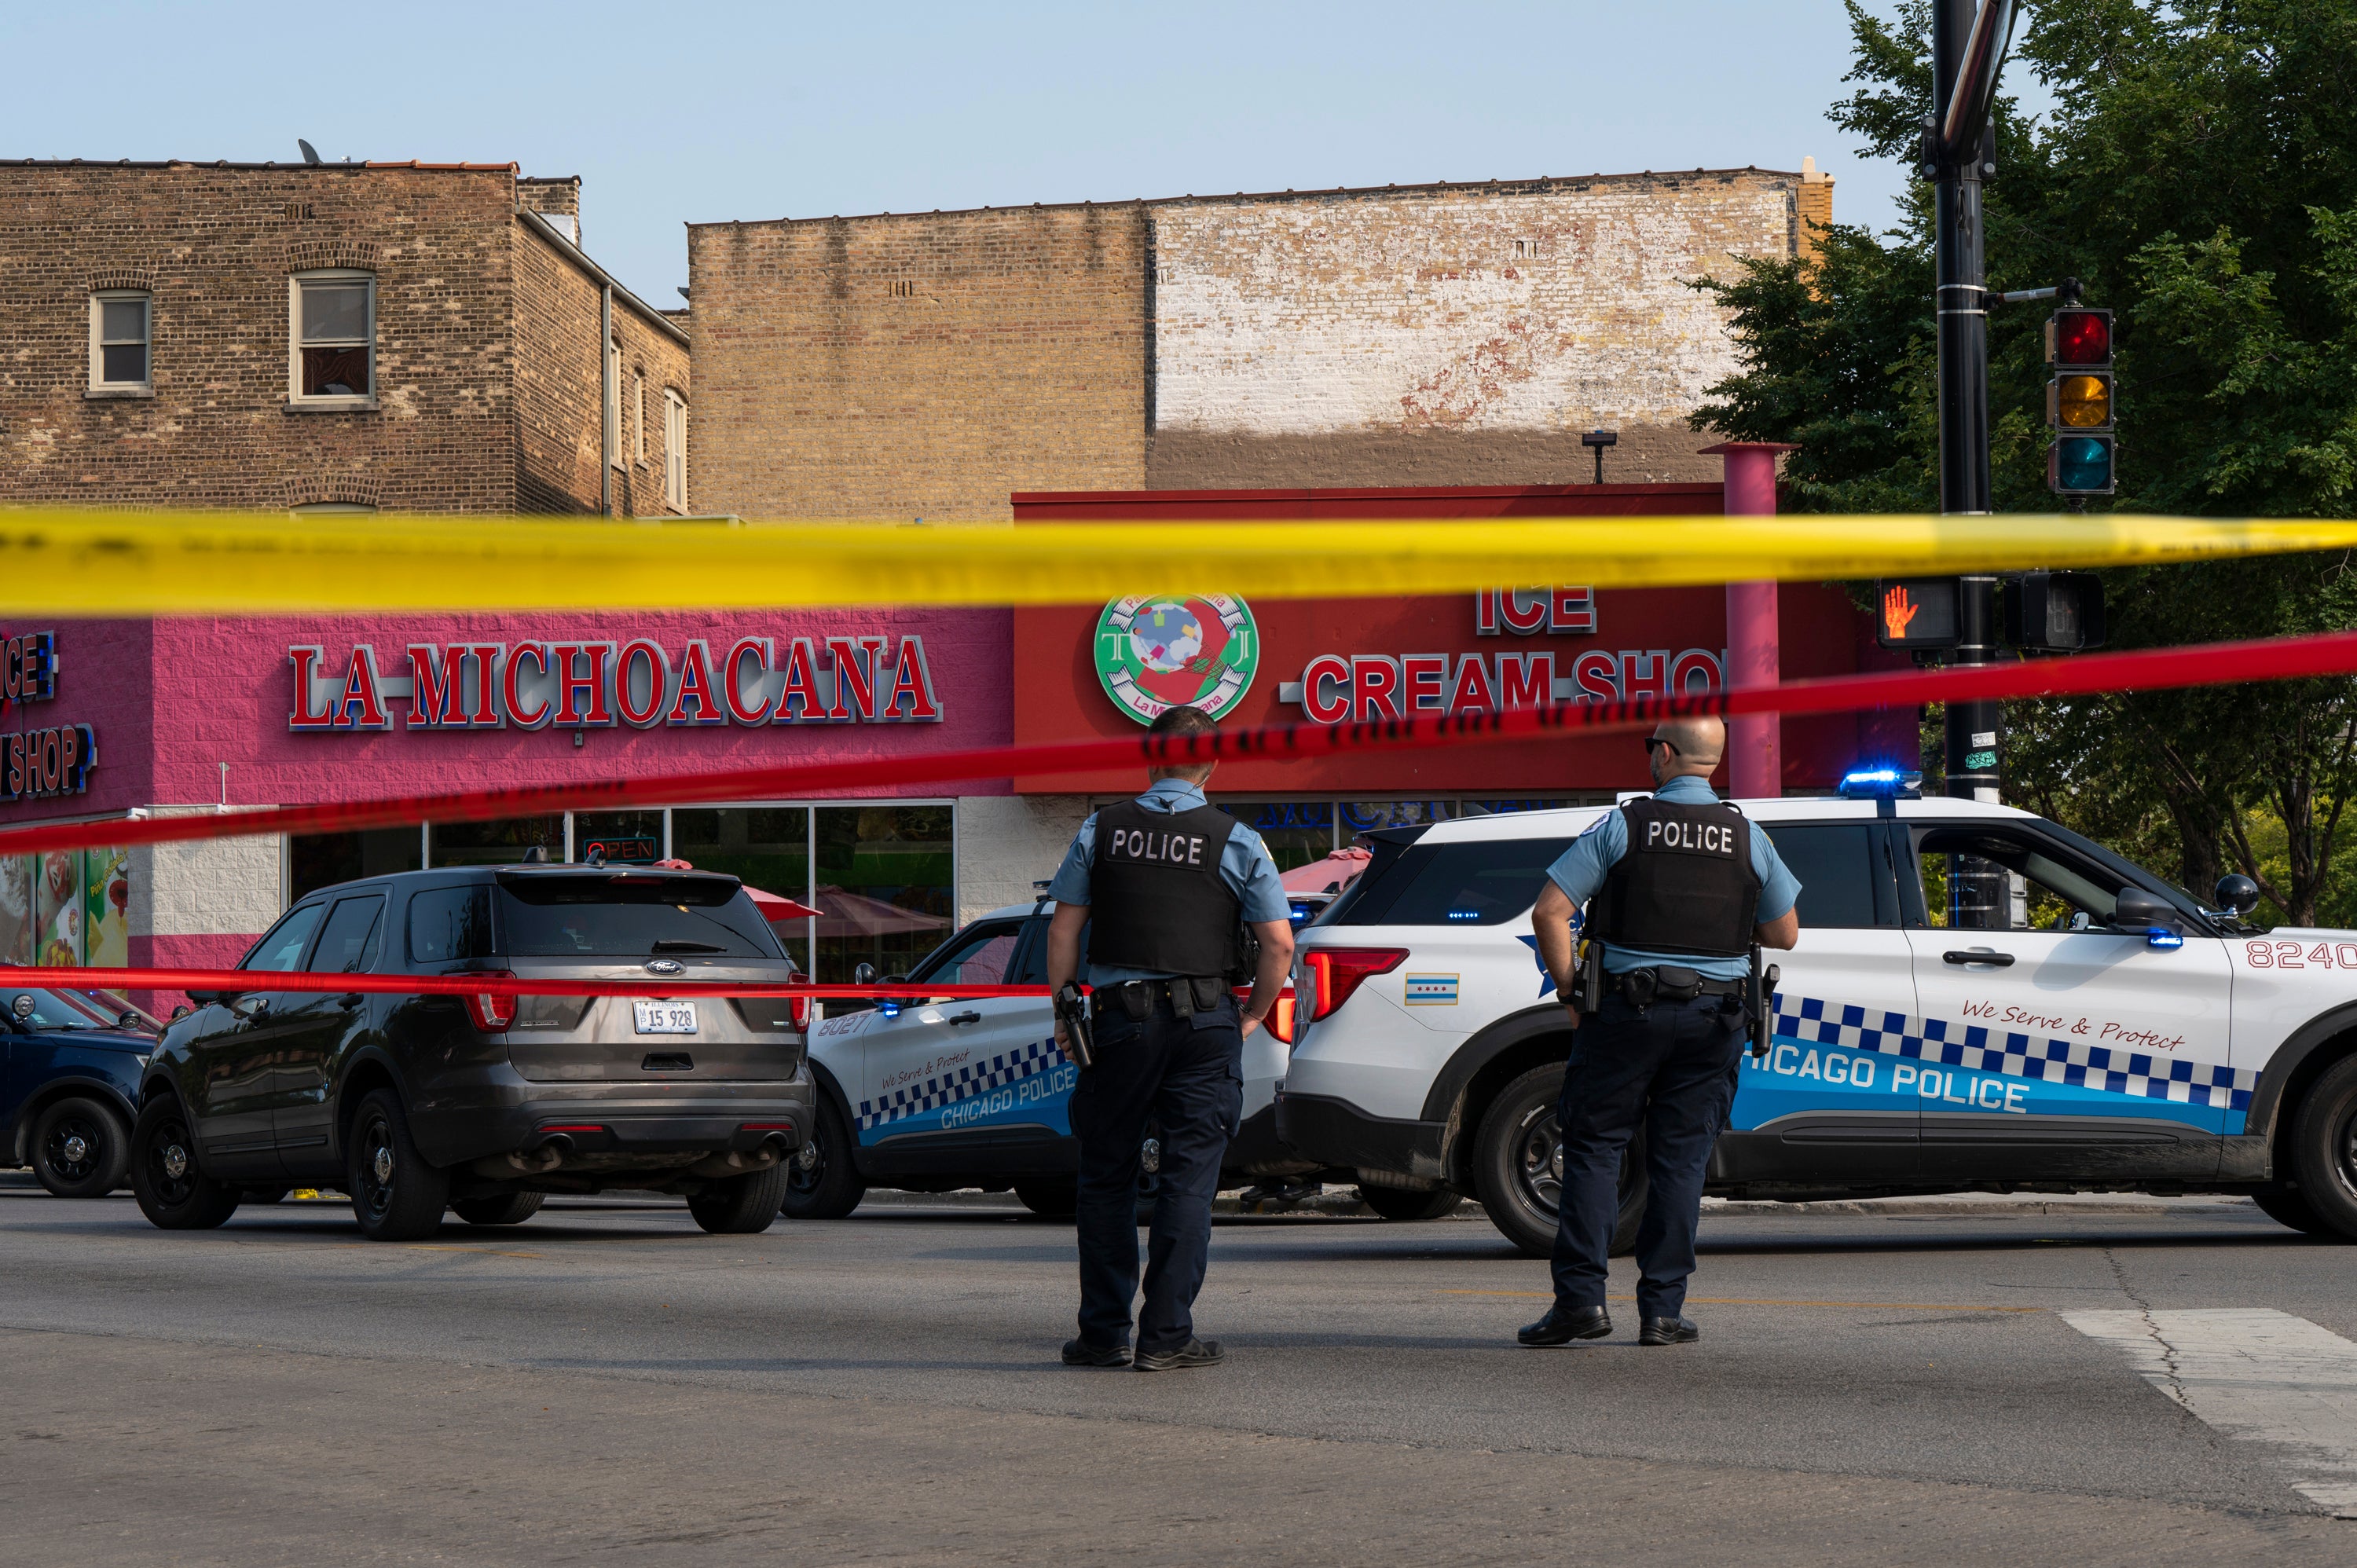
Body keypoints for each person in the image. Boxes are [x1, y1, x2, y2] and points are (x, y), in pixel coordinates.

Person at [1519, 715, 1801, 1349]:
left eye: (1652, 748)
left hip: (1627, 1013)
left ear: (1666, 753)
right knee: (1681, 1161)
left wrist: (1568, 989)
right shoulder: (1747, 836)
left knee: (1594, 1150)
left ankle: (1581, 1306)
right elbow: (1784, 932)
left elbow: (1550, 912)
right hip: (1715, 1018)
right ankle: (1662, 1313)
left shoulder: (1623, 825)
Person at [1043, 705, 1294, 1372]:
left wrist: (1066, 1014)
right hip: (1207, 1022)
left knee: (1106, 1178)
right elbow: (1278, 944)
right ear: (1211, 762)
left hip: (1121, 1022)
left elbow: (1063, 932)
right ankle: (1165, 1336)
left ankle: (1102, 1335)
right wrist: (1254, 1015)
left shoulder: (1102, 829)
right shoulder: (1236, 838)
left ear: (1151, 758)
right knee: (1188, 1182)